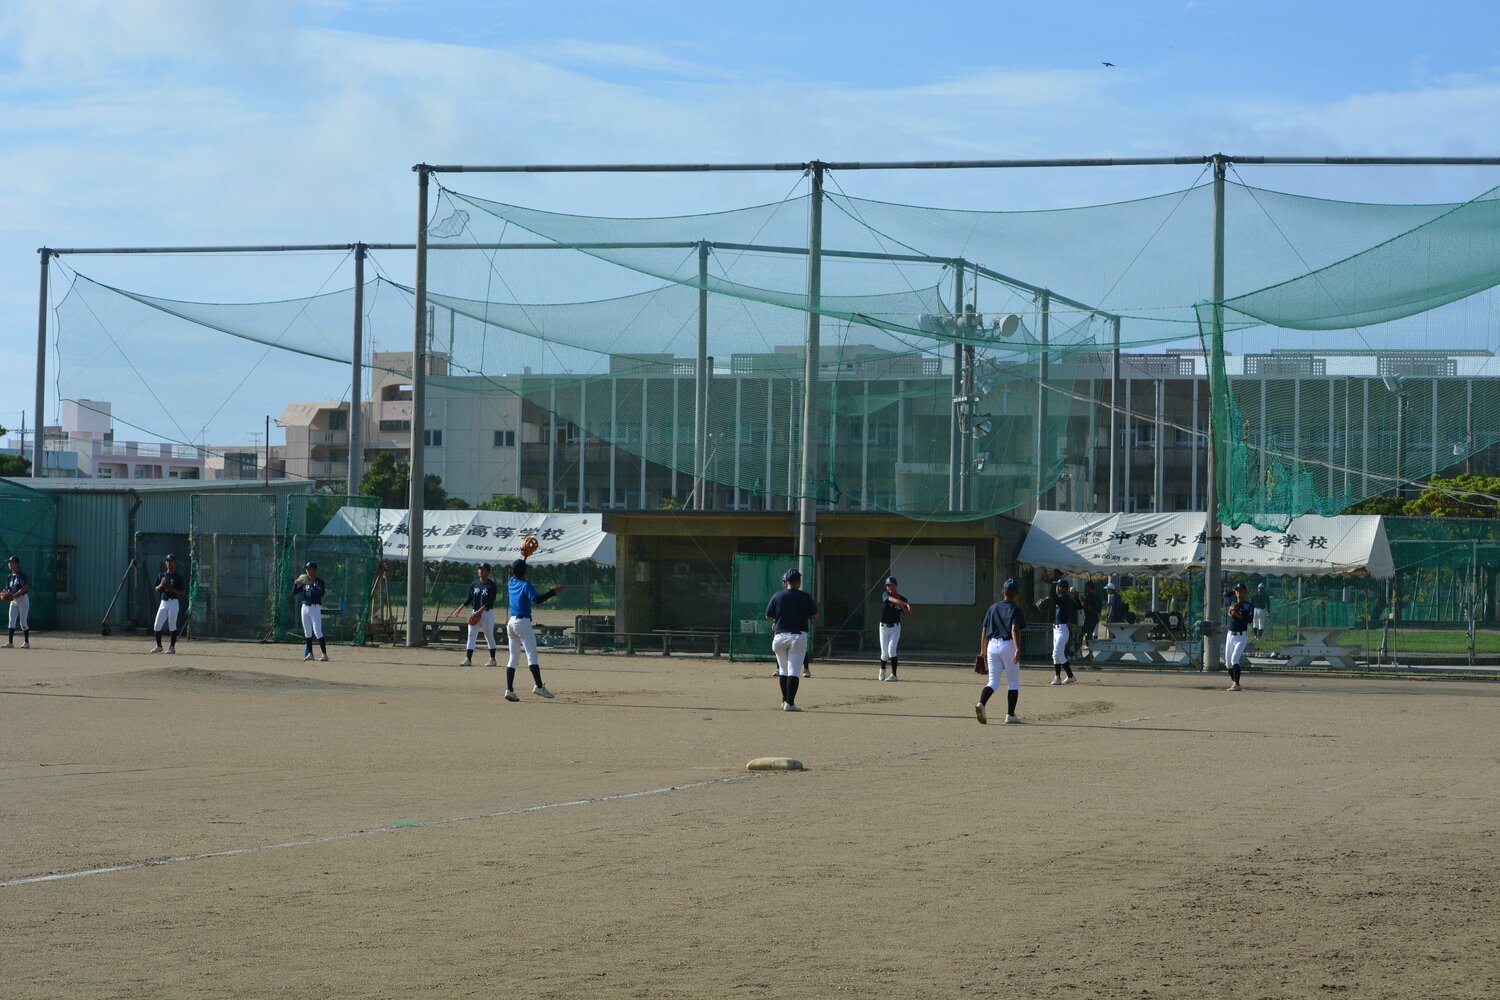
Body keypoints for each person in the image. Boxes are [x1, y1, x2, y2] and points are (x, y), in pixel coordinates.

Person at [504, 553, 564, 702]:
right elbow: (537, 600)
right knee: (532, 656)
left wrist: (523, 557)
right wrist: (553, 592)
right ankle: (538, 686)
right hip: (523, 624)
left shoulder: (511, 582)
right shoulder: (526, 585)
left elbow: (517, 571)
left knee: (513, 658)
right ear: (525, 572)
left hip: (511, 624)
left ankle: (509, 690)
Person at [765, 567, 819, 712]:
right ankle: (790, 703)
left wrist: (780, 617)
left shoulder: (777, 596)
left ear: (785, 582)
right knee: (794, 670)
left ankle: (784, 701)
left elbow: (768, 616)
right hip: (797, 636)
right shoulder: (805, 596)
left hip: (779, 637)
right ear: (799, 582)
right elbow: (814, 616)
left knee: (783, 670)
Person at [976, 578, 1025, 725]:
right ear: (1016, 594)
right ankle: (1010, 715)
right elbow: (1014, 629)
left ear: (1003, 592)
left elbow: (984, 631)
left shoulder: (992, 608)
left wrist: (983, 651)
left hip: (992, 646)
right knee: (1013, 682)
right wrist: (1018, 649)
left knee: (993, 682)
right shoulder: (1015, 609)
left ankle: (981, 703)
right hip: (1008, 645)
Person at [1035, 577, 1078, 685]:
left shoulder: (1064, 597)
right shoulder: (1061, 597)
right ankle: (1067, 676)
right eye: (1057, 586)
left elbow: (1056, 599)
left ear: (1065, 588)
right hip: (1057, 629)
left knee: (1055, 654)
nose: (1057, 588)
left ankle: (1060, 677)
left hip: (1062, 631)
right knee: (1060, 655)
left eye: (1059, 586)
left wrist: (1048, 598)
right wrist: (1050, 598)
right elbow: (1056, 599)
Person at [459, 562, 500, 667]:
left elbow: (490, 601)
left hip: (487, 614)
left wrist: (479, 611)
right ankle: (468, 659)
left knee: (488, 636)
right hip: (475, 612)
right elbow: (469, 599)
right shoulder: (474, 584)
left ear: (488, 572)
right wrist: (459, 609)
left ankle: (492, 659)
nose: (480, 571)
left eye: (483, 569)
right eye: (479, 569)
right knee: (471, 635)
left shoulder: (492, 585)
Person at [149, 554, 187, 654]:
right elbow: (156, 589)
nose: (168, 563)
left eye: (170, 561)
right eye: (167, 561)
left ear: (175, 563)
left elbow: (183, 592)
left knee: (172, 625)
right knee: (157, 625)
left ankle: (172, 647)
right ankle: (159, 646)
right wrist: (161, 585)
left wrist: (172, 589)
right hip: (163, 602)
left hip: (173, 602)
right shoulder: (161, 575)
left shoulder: (178, 577)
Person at [876, 575, 912, 682]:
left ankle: (894, 675)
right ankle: (882, 669)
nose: (889, 587)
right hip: (883, 627)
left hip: (895, 627)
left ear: (895, 586)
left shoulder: (902, 598)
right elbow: (891, 600)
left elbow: (908, 613)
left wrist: (903, 605)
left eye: (891, 585)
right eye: (888, 586)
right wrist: (904, 603)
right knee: (884, 654)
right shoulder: (885, 594)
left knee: (892, 651)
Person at [293, 561, 329, 662]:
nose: (307, 570)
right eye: (306, 569)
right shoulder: (305, 581)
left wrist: (311, 584)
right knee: (307, 632)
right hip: (304, 607)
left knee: (317, 631)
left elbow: (320, 594)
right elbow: (294, 592)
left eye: (309, 568)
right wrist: (296, 584)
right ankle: (310, 654)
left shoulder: (319, 582)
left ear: (315, 570)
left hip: (315, 607)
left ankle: (324, 654)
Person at [1224, 582, 1252, 691]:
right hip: (1230, 635)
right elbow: (1225, 596)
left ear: (1245, 591)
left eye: (1240, 590)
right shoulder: (1232, 602)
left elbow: (1248, 620)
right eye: (1237, 590)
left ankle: (1237, 684)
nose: (1238, 592)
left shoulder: (1248, 605)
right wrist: (1233, 590)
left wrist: (1237, 614)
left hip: (1241, 636)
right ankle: (1234, 681)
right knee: (1228, 664)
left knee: (1235, 659)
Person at [4, 555, 30, 649]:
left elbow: (24, 588)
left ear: (17, 564)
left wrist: (13, 595)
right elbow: (8, 589)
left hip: (23, 599)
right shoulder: (9, 577)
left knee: (22, 621)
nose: (9, 564)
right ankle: (10, 642)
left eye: (11, 562)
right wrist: (4, 593)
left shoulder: (21, 575)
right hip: (14, 601)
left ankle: (26, 642)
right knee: (11, 620)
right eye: (9, 562)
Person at [1080, 581, 1103, 654]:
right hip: (1094, 617)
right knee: (1089, 634)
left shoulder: (1089, 596)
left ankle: (1078, 650)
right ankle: (1090, 652)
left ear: (1089, 587)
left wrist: (1084, 604)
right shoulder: (1097, 597)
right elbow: (1100, 607)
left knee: (1082, 634)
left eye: (1086, 587)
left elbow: (1088, 607)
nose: (1085, 588)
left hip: (1089, 617)